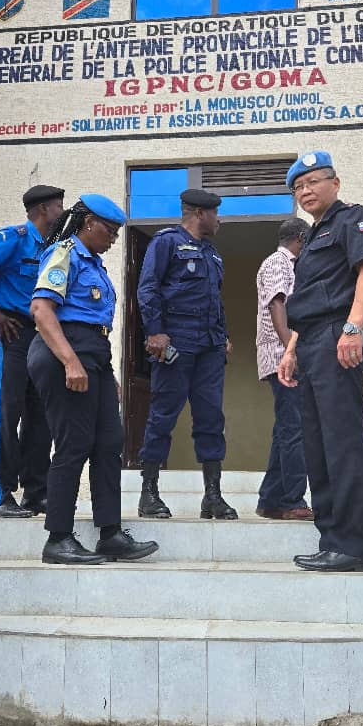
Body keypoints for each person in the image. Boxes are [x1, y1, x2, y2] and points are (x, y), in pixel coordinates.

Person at [27, 193, 159, 564]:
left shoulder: (94, 264)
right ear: (88, 223)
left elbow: (96, 328)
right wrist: (70, 361)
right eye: (110, 229)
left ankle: (110, 533)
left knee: (109, 443)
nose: (115, 237)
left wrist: (108, 373)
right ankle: (58, 538)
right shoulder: (65, 254)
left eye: (118, 231)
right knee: (74, 443)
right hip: (63, 352)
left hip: (93, 357)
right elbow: (41, 310)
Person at [278, 152, 363, 573]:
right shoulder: (313, 236)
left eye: (313, 182)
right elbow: (307, 302)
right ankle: (331, 539)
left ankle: (354, 546)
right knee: (317, 447)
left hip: (339, 335)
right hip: (310, 344)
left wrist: (354, 326)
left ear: (335, 183)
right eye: (298, 187)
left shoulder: (353, 219)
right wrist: (289, 350)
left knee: (343, 442)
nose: (305, 191)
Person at [0, 185, 64, 517]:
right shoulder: (15, 238)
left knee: (41, 416)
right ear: (44, 209)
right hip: (11, 332)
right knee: (6, 411)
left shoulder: (53, 247)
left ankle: (37, 492)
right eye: (59, 207)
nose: (63, 213)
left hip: (41, 334)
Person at [136, 189, 236, 520]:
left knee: (211, 418)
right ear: (198, 213)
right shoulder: (166, 242)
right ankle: (148, 494)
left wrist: (223, 337)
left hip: (209, 347)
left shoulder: (213, 253)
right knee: (163, 415)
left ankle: (213, 497)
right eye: (215, 213)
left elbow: (214, 300)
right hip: (175, 343)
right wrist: (154, 331)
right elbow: (148, 287)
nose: (219, 220)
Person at [255, 217, 313, 520]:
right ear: (302, 238)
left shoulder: (285, 263)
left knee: (285, 429)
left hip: (283, 354)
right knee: (295, 429)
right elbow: (278, 305)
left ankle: (271, 500)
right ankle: (292, 500)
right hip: (283, 356)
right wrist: (291, 347)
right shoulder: (278, 263)